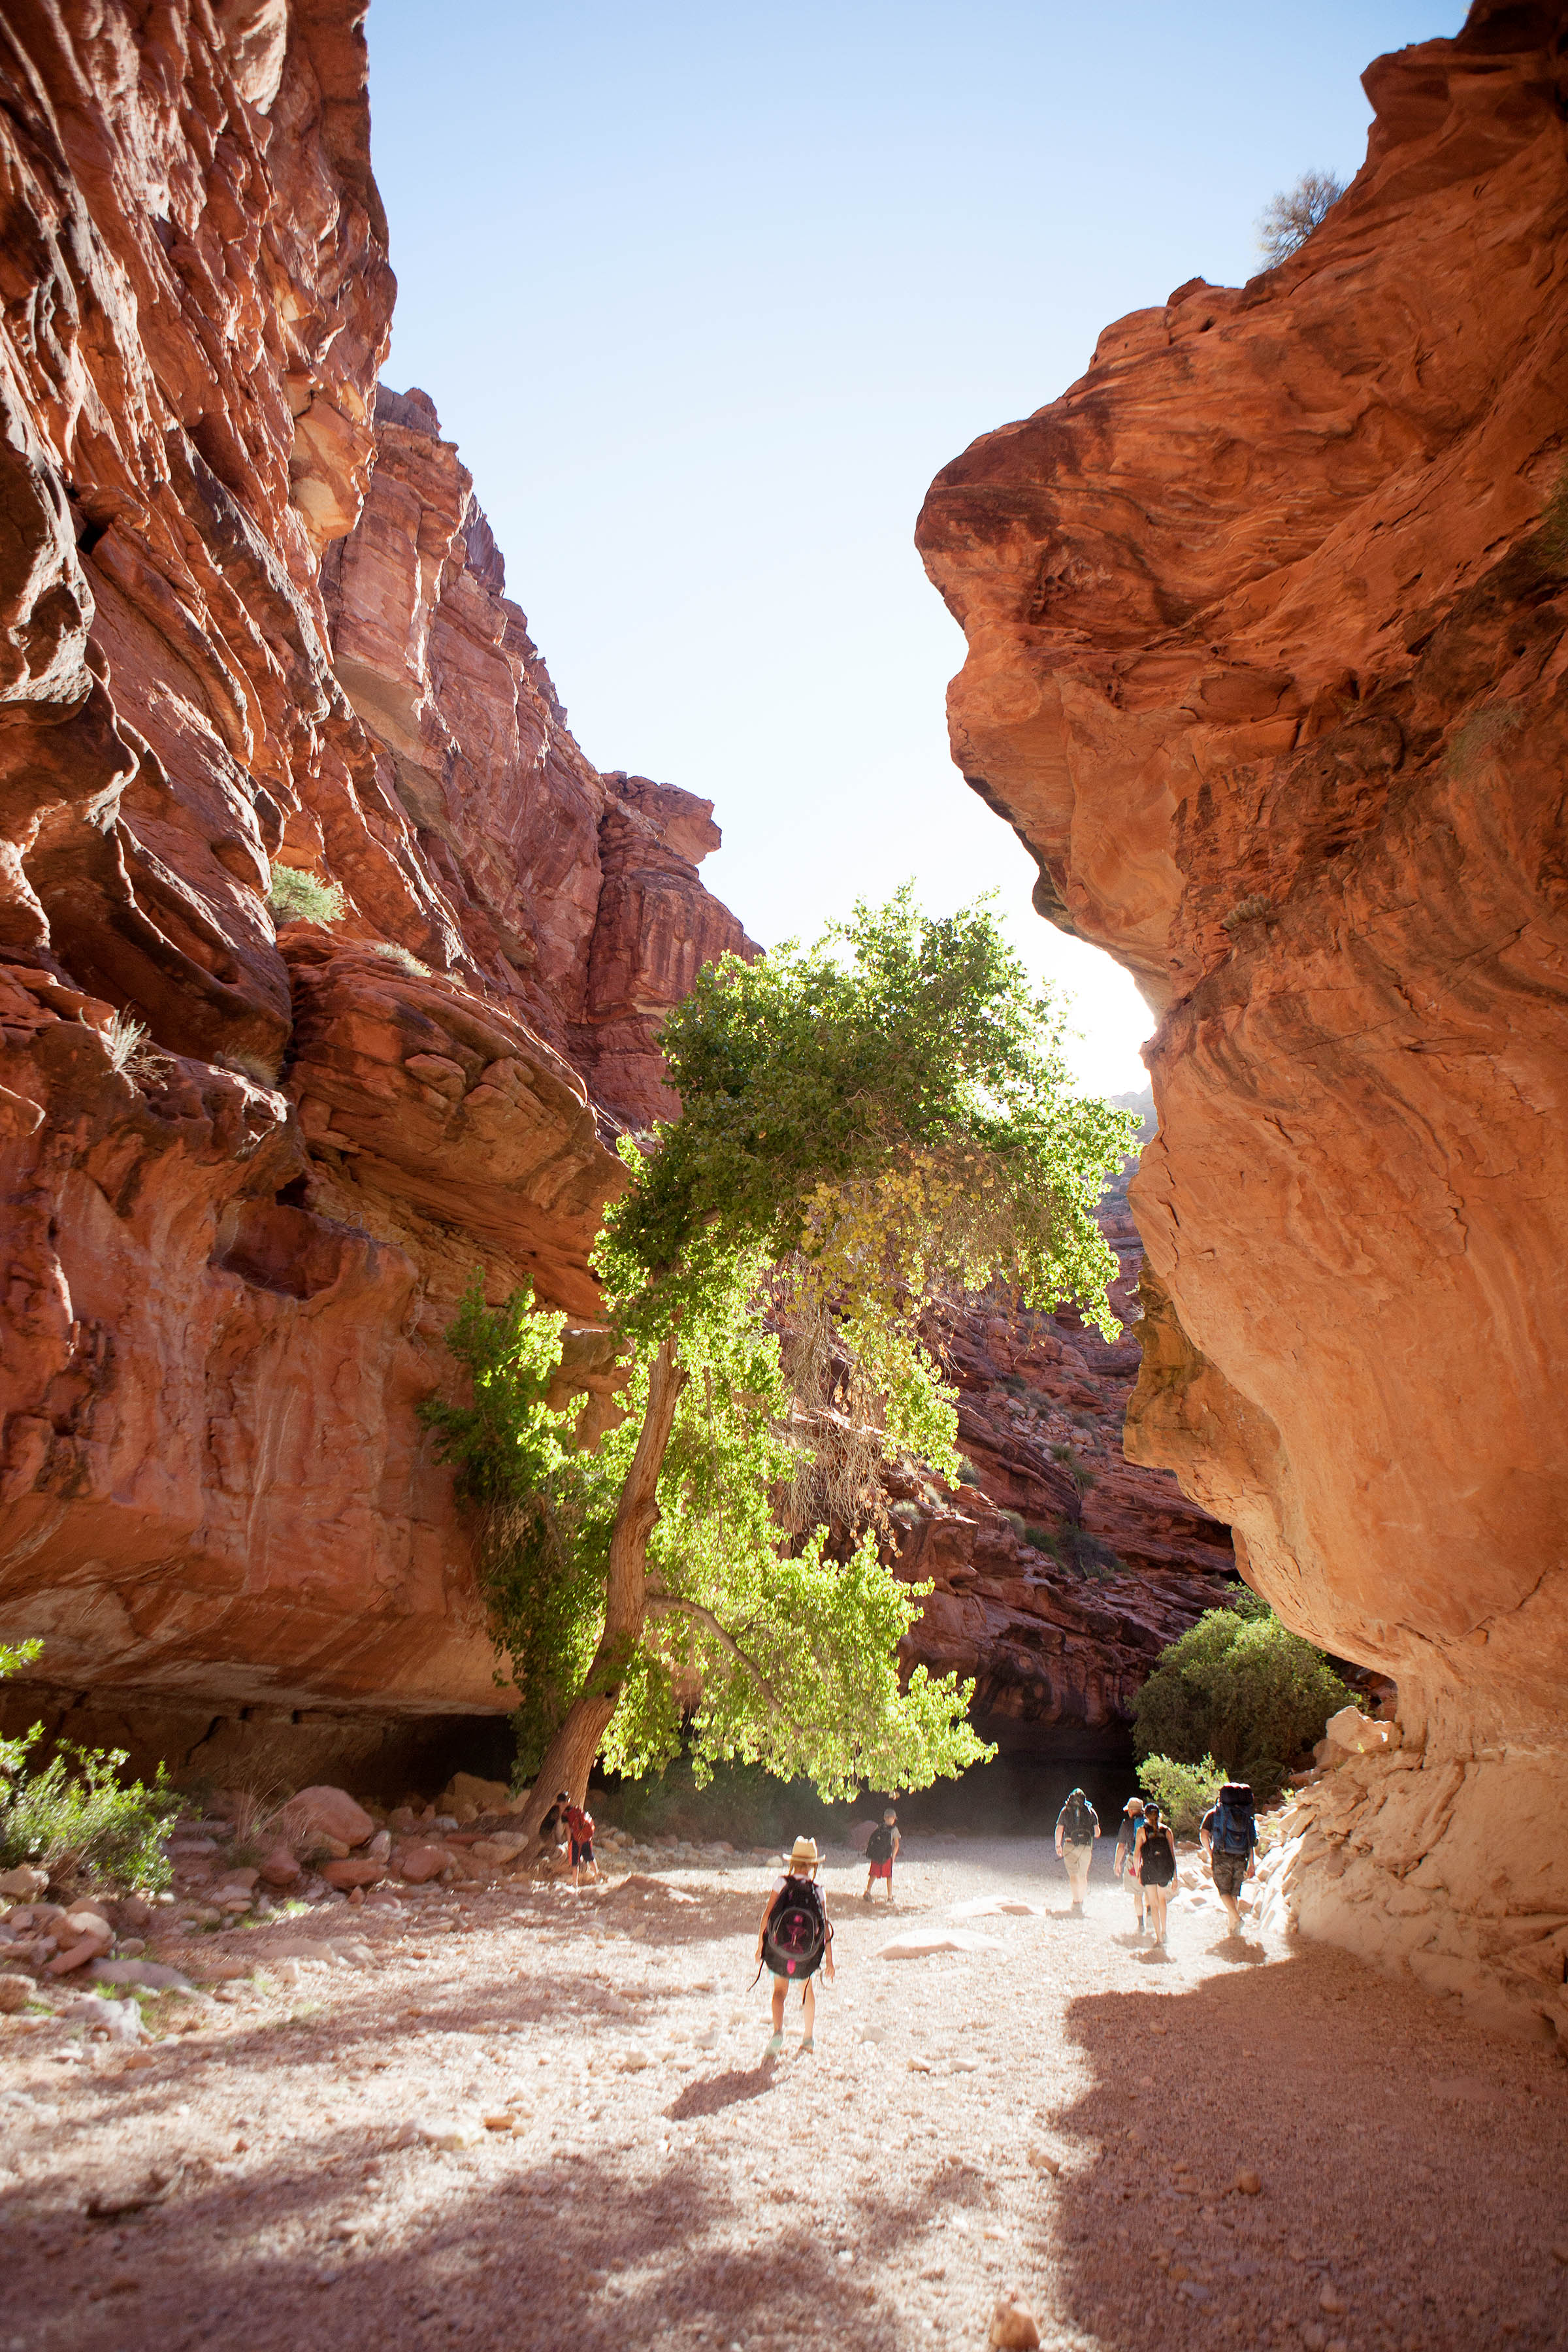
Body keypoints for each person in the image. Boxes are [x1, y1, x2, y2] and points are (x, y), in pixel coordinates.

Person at [755, 1835, 834, 2057]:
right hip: (805, 1955)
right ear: (812, 1866)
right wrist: (829, 1960)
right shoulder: (818, 1890)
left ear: (792, 1861)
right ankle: (808, 2038)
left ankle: (778, 2031)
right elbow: (825, 1927)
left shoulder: (781, 1883)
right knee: (807, 1991)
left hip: (779, 1949)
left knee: (779, 1991)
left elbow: (767, 1916)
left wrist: (760, 1946)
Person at [1200, 1780, 1258, 1935]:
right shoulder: (1247, 1815)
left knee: (1224, 1891)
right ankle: (1233, 1929)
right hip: (1241, 1857)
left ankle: (1237, 1919)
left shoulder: (1215, 1813)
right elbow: (1251, 1841)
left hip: (1222, 1854)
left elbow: (1204, 1834)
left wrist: (1210, 1853)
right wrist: (1252, 1863)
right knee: (1234, 1892)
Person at [1134, 1801, 1176, 1946]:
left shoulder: (1142, 1831)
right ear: (1159, 1816)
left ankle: (1158, 1938)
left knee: (1154, 1903)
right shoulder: (1167, 1831)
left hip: (1150, 1870)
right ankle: (1164, 1932)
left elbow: (1137, 1854)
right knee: (1162, 1900)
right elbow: (1172, 1854)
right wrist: (1175, 1876)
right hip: (1165, 1870)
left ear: (1145, 1815)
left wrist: (1137, 1871)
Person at [1054, 1786, 1101, 1910]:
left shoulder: (1065, 1811)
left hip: (1069, 1845)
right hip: (1085, 1847)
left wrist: (1058, 1845)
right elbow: (1097, 1834)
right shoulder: (1091, 1812)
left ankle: (1076, 1903)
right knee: (1083, 1876)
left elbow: (1059, 1829)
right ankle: (1081, 1900)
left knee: (1073, 1876)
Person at [1113, 1797, 1147, 1936]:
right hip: (1151, 1860)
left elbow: (1121, 1846)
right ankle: (1151, 1914)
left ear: (1132, 1811)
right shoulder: (1150, 1822)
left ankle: (1141, 1925)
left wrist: (1117, 1863)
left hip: (1135, 1859)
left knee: (1138, 1893)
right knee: (1150, 1890)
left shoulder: (1127, 1824)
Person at [863, 1808, 900, 1904]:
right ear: (894, 1819)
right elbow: (896, 1845)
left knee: (874, 1874)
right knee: (889, 1876)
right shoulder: (894, 1830)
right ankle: (890, 1897)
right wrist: (893, 1857)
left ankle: (868, 1891)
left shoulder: (879, 1827)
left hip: (876, 1855)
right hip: (887, 1856)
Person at [561, 1794, 598, 1887]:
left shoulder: (565, 1815)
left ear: (560, 1804)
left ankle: (575, 1884)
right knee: (590, 1858)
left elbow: (568, 1830)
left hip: (575, 1841)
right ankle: (598, 1876)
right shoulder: (577, 1810)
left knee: (575, 1863)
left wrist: (569, 1842)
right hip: (585, 1839)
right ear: (569, 1801)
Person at [537, 1788, 570, 1872]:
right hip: (557, 1828)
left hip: (561, 1829)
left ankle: (560, 1845)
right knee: (558, 1831)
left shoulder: (564, 1813)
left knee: (559, 1833)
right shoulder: (562, 1809)